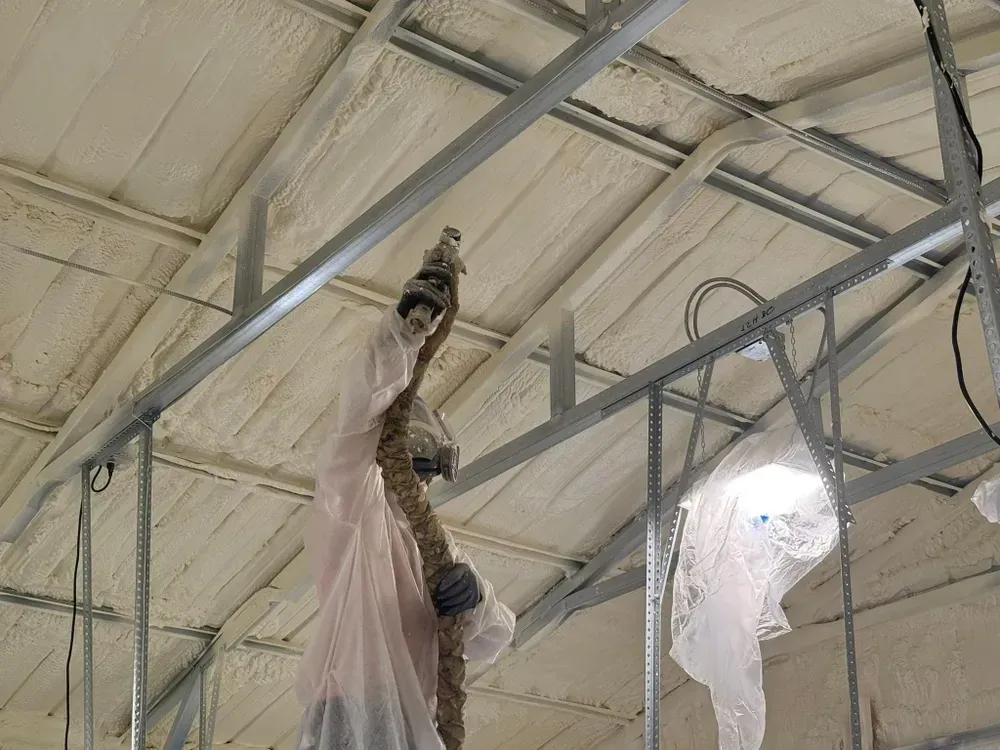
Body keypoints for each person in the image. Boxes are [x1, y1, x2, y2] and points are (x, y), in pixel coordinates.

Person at [295, 259, 516, 750]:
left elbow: (494, 637)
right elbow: (356, 421)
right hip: (348, 722)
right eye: (410, 466)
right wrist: (402, 334)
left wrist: (475, 599)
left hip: (413, 725)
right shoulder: (354, 511)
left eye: (426, 473)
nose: (418, 484)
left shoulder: (437, 549)